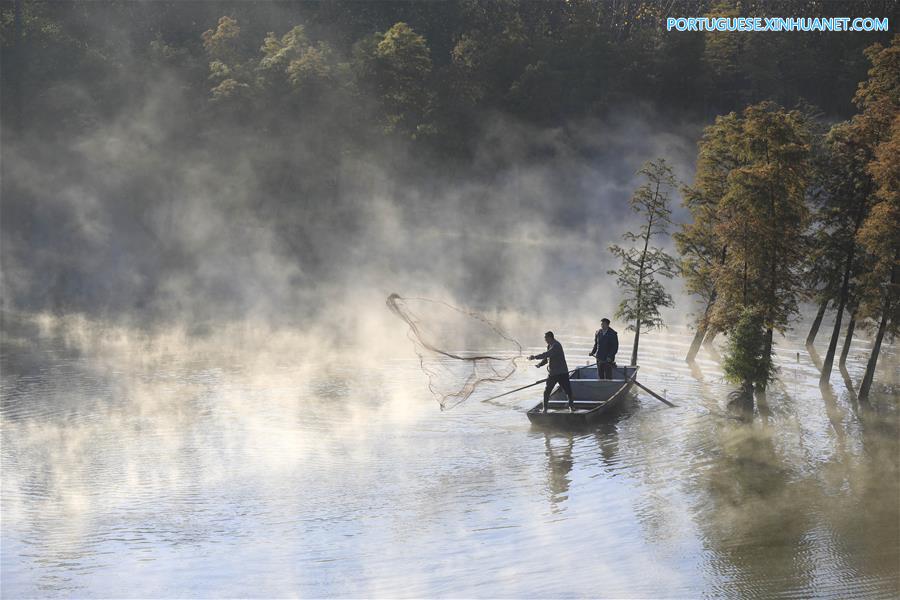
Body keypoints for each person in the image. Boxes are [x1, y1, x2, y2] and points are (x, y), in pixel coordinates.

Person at [529, 331, 574, 412]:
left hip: (562, 373)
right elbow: (547, 359)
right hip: (553, 374)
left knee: (567, 390)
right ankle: (545, 408)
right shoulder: (549, 345)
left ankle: (571, 406)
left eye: (545, 338)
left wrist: (535, 357)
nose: (545, 340)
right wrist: (540, 364)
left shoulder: (556, 345)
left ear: (550, 337)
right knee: (546, 391)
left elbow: (547, 354)